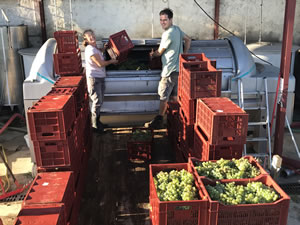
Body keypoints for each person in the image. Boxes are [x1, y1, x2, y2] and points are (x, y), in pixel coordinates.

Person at [145, 8, 191, 129]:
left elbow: (159, 52)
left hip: (168, 71)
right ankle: (175, 120)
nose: (163, 22)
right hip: (178, 70)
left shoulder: (167, 34)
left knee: (163, 97)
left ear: (171, 19)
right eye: (161, 20)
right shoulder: (177, 29)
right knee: (174, 97)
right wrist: (183, 55)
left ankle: (159, 119)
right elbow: (188, 39)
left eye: (165, 20)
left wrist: (152, 54)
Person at [83, 29, 118, 133]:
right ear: (86, 39)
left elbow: (99, 52)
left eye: (93, 34)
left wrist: (105, 48)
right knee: (97, 101)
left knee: (100, 100)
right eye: (89, 36)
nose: (92, 37)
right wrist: (112, 61)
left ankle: (98, 122)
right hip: (94, 79)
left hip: (99, 78)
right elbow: (100, 64)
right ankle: (95, 126)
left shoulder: (94, 47)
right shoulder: (90, 49)